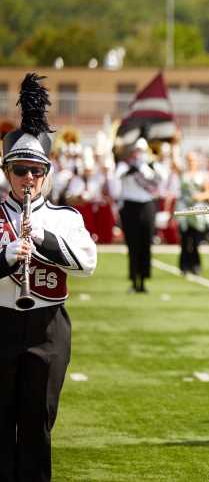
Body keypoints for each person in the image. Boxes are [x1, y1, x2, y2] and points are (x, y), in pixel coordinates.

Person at [0, 73, 97, 482]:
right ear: (7, 171)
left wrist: (41, 238)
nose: (27, 179)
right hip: (2, 323)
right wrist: (6, 255)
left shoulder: (65, 218)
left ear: (46, 174)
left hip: (48, 328)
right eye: (19, 170)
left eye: (35, 171)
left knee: (39, 424)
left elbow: (87, 262)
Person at [115, 137, 159, 293]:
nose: (138, 154)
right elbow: (118, 174)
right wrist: (132, 168)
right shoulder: (124, 164)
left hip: (147, 205)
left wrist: (145, 167)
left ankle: (143, 281)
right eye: (136, 150)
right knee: (133, 244)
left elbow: (158, 180)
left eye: (141, 151)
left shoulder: (150, 165)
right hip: (130, 206)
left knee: (146, 243)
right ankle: (134, 280)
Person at [177, 151, 209, 275]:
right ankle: (184, 265)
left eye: (193, 160)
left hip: (197, 211)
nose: (190, 163)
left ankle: (195, 264)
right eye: (188, 160)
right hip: (184, 209)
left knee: (195, 239)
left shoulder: (202, 176)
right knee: (184, 238)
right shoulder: (183, 174)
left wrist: (199, 196)